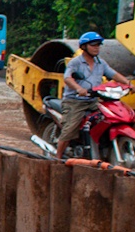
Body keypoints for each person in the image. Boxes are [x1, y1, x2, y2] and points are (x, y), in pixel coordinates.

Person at [52, 31, 126, 160]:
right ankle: (57, 158)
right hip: (75, 101)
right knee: (70, 129)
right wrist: (79, 88)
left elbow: (113, 74)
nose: (96, 47)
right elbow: (68, 78)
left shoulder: (101, 63)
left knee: (109, 117)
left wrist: (128, 83)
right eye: (93, 45)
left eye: (98, 45)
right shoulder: (75, 63)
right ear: (84, 47)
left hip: (93, 100)